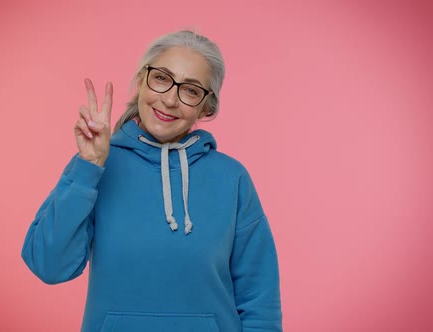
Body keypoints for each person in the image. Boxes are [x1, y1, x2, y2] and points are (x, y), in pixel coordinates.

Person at [21, 30, 283, 331]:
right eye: (161, 78)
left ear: (206, 107)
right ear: (141, 82)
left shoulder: (232, 178)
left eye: (191, 90)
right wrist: (87, 168)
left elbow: (259, 300)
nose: (170, 99)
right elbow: (48, 265)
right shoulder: (95, 166)